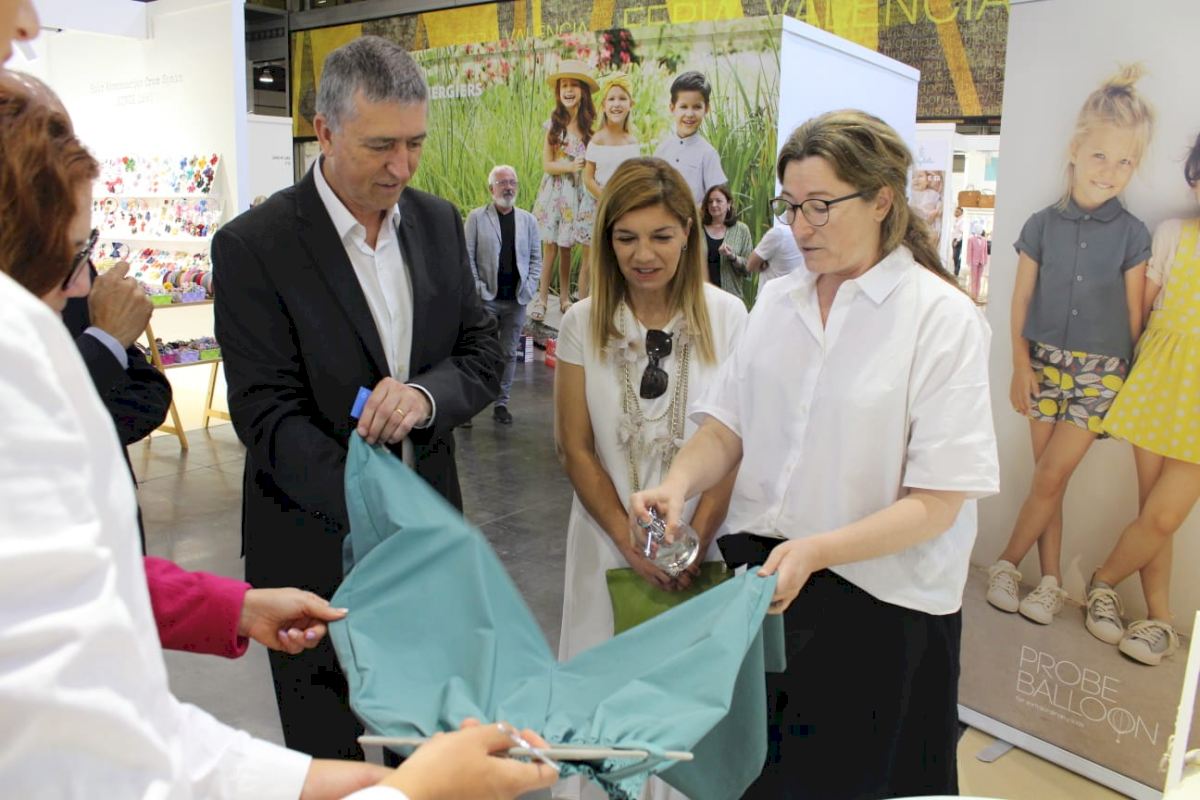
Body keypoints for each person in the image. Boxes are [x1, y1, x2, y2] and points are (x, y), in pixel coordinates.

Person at [632, 110, 998, 799]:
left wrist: (818, 550)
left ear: (882, 200)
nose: (801, 227)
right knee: (758, 779)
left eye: (821, 206)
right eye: (791, 206)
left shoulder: (941, 319)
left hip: (881, 607)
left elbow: (938, 503)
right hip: (768, 585)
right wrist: (677, 483)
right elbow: (727, 429)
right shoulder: (778, 302)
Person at [211, 35, 504, 760]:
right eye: (381, 146)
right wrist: (376, 506)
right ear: (325, 130)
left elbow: (481, 352)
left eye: (415, 143)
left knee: (430, 753)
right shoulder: (255, 246)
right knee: (328, 758)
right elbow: (266, 415)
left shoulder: (437, 222)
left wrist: (425, 397)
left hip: (427, 546)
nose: (401, 166)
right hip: (308, 550)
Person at [555, 157, 745, 799]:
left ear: (688, 232)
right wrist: (627, 539)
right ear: (606, 239)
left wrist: (693, 539)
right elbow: (575, 447)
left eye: (661, 235)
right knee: (603, 709)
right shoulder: (583, 322)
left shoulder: (730, 318)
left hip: (702, 547)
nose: (644, 254)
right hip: (605, 544)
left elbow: (737, 442)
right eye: (626, 237)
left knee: (683, 720)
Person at [985, 66, 1153, 628]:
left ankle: (1007, 562)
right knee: (1045, 478)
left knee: (1052, 476)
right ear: (1076, 150)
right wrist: (1019, 363)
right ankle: (1051, 581)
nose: (1110, 170)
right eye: (1101, 155)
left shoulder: (1133, 234)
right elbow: (1019, 300)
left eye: (1125, 161)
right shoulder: (1040, 226)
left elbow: (1134, 316)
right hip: (1042, 364)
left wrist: (1128, 388)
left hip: (1102, 375)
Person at [1091, 131, 1200, 666]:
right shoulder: (1175, 233)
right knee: (1152, 510)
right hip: (1160, 380)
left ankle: (1102, 581)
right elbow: (1140, 311)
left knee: (1163, 516)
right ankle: (1159, 620)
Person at [465, 164, 542, 424]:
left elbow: (536, 259)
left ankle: (501, 404)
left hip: (516, 301)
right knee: (479, 353)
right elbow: (467, 257)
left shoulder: (528, 220)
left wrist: (529, 288)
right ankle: (469, 408)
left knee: (508, 354)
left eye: (512, 182)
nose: (508, 187)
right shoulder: (477, 218)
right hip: (486, 300)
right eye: (502, 183)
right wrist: (478, 289)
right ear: (491, 189)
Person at [530, 60, 597, 320]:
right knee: (550, 247)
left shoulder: (588, 126)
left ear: (583, 91)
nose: (568, 90)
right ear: (558, 92)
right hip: (555, 192)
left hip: (576, 194)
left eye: (574, 86)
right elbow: (547, 164)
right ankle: (542, 298)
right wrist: (569, 166)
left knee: (567, 246)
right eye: (564, 86)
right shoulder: (554, 123)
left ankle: (565, 298)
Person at [652, 71, 726, 205]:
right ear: (672, 108)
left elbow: (716, 200)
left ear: (706, 109)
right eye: (683, 107)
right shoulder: (662, 149)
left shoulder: (708, 154)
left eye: (697, 107)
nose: (690, 114)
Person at [582, 73, 641, 227]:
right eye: (611, 99)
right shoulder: (598, 140)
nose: (617, 104)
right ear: (603, 106)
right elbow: (588, 178)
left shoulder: (632, 143)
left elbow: (634, 178)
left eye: (622, 98)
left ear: (631, 104)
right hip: (598, 204)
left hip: (623, 206)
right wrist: (606, 199)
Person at [699, 184, 752, 301]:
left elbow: (748, 269)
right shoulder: (698, 230)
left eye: (718, 201)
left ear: (729, 204)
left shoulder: (742, 230)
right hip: (701, 298)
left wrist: (732, 257)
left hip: (730, 299)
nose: (714, 205)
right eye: (710, 201)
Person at [951, 205, 964, 277]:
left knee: (956, 256)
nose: (955, 212)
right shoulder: (956, 220)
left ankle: (956, 273)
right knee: (954, 256)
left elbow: (961, 232)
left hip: (958, 240)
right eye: (955, 211)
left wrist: (957, 241)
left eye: (957, 211)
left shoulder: (962, 221)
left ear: (961, 213)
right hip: (954, 239)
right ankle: (955, 271)